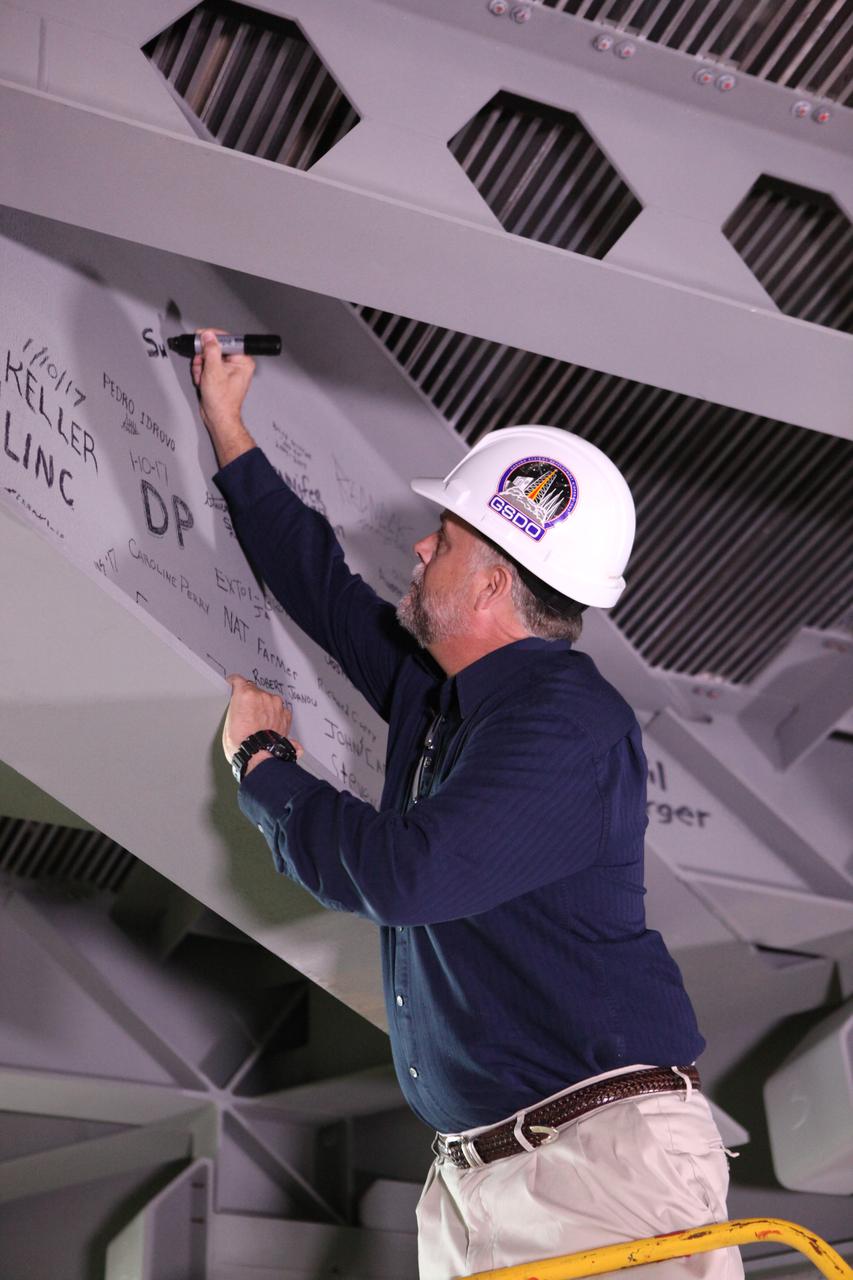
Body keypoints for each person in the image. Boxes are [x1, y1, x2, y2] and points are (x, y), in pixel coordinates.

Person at [192, 330, 742, 1280]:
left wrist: (266, 765)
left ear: (491, 584)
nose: (418, 547)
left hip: (597, 1172)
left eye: (443, 540)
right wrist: (226, 425)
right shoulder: (442, 694)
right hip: (481, 1179)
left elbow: (408, 874)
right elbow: (321, 588)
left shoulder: (565, 722)